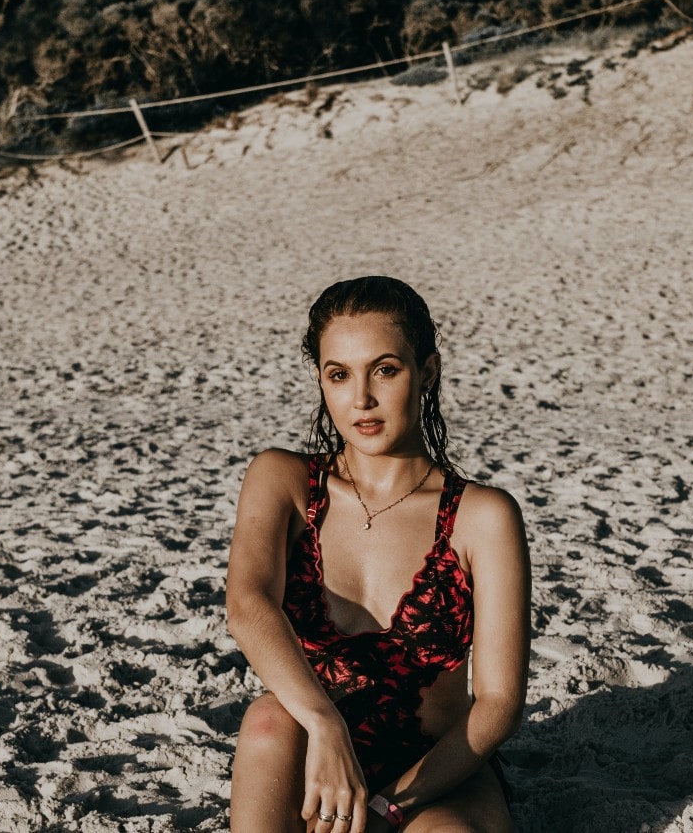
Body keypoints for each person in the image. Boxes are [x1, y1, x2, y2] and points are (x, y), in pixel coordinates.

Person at [226, 276, 530, 832]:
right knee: (268, 719)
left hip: (433, 771)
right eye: (338, 375)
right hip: (307, 750)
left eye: (384, 370)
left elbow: (498, 702)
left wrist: (388, 806)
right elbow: (248, 605)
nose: (360, 399)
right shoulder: (284, 481)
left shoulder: (482, 516)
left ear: (428, 371)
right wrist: (324, 723)